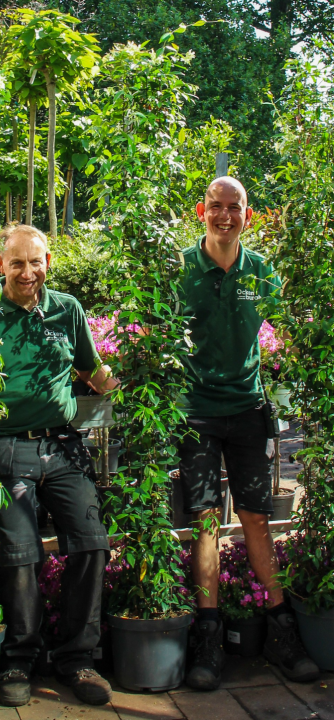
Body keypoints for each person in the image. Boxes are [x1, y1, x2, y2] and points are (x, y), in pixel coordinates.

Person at [178, 177, 319, 690]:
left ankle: (282, 630)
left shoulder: (261, 271)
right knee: (206, 519)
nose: (224, 215)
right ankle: (209, 636)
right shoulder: (181, 270)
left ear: (247, 215)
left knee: (258, 516)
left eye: (233, 208)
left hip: (246, 409)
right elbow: (152, 328)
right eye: (216, 206)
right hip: (195, 411)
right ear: (202, 211)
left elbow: (286, 326)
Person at [0, 224, 115, 707]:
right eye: (17, 263)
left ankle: (77, 658)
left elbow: (89, 369)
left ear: (47, 261)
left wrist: (129, 379)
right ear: (0, 265)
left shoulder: (66, 309)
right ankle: (19, 658)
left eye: (35, 262)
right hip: (7, 448)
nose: (27, 272)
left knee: (91, 542)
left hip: (62, 449)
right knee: (20, 553)